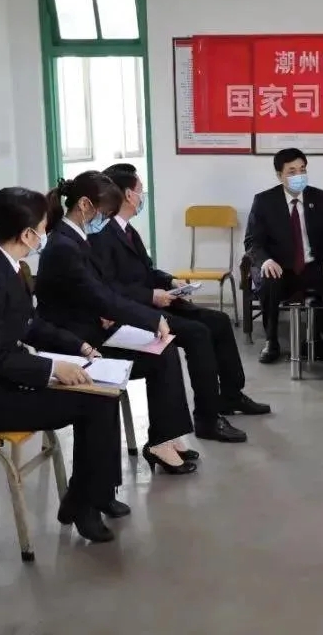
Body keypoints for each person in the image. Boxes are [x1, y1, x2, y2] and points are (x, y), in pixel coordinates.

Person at [0, 187, 124, 544]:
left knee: (103, 394)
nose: (44, 235)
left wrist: (77, 346)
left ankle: (91, 494)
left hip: (3, 379)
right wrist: (53, 368)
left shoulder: (5, 265)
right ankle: (84, 502)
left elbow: (29, 323)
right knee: (95, 403)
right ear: (26, 234)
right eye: (41, 228)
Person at [36, 171, 242, 460]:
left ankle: (166, 437)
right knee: (162, 352)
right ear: (84, 205)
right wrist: (150, 318)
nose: (106, 220)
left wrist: (117, 311)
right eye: (105, 213)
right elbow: (99, 294)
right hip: (78, 342)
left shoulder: (74, 239)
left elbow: (95, 291)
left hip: (94, 326)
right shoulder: (64, 245)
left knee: (164, 348)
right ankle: (163, 440)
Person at [93, 163, 270, 418]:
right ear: (129, 195)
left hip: (153, 301)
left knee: (219, 321)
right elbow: (108, 288)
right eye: (141, 190)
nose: (142, 196)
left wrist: (171, 281)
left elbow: (146, 271)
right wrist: (151, 296)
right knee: (198, 333)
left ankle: (231, 396)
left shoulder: (127, 230)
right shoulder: (102, 235)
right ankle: (207, 416)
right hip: (134, 311)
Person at [243, 148, 323, 364]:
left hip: (311, 265)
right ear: (279, 175)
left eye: (302, 170)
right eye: (292, 171)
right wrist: (266, 261)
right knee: (269, 280)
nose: (298, 175)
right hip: (279, 267)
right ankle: (271, 341)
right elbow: (252, 242)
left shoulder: (318, 197)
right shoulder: (264, 201)